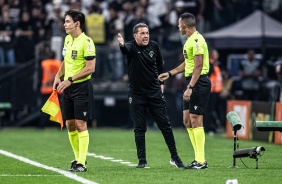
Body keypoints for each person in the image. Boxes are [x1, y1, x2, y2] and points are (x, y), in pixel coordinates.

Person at [117, 23, 185, 168]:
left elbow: (160, 64)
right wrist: (122, 45)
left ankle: (175, 157)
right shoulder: (130, 47)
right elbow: (125, 50)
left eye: (147, 33)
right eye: (142, 33)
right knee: (139, 128)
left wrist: (161, 84)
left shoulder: (154, 46)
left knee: (165, 126)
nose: (146, 36)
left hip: (154, 92)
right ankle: (142, 160)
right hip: (136, 94)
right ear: (135, 36)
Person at [158, 12, 211, 169]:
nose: (178, 26)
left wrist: (190, 87)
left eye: (179, 24)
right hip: (192, 81)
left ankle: (201, 161)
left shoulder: (197, 40)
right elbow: (187, 64)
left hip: (198, 82)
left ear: (185, 25)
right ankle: (198, 159)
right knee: (187, 121)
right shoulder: (189, 41)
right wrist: (170, 73)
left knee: (196, 119)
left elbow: (199, 65)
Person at [53, 9, 96, 172]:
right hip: (68, 87)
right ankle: (77, 159)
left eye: (67, 21)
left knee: (80, 124)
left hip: (81, 87)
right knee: (70, 124)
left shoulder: (87, 42)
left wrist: (70, 80)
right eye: (65, 21)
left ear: (77, 24)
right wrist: (58, 75)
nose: (64, 24)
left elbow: (90, 68)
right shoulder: (68, 39)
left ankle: (82, 162)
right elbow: (66, 60)